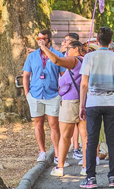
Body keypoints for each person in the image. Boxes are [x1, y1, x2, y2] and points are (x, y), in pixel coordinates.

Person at [78, 27, 114, 188]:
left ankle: (90, 178)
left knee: (91, 140)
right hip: (111, 103)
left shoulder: (89, 57)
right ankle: (113, 177)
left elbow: (84, 84)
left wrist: (81, 104)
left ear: (97, 41)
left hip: (92, 102)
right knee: (112, 140)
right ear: (111, 41)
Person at [42, 40, 88, 177]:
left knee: (65, 136)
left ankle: (60, 166)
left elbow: (56, 60)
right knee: (85, 137)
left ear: (76, 49)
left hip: (71, 102)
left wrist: (43, 48)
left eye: (68, 48)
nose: (66, 51)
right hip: (83, 101)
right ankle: (86, 167)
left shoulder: (74, 60)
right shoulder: (85, 61)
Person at [23, 29, 64, 163]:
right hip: (35, 94)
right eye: (38, 38)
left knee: (54, 124)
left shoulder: (57, 55)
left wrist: (60, 92)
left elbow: (64, 76)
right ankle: (42, 151)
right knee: (38, 123)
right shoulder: (32, 56)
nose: (40, 41)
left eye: (43, 38)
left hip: (52, 94)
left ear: (49, 40)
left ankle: (57, 154)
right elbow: (26, 75)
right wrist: (27, 93)